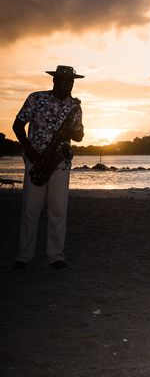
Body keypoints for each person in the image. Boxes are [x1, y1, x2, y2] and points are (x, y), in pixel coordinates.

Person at [12, 65, 84, 270]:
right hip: (36, 161)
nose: (67, 84)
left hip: (60, 164)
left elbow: (79, 136)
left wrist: (73, 131)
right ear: (54, 81)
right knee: (30, 210)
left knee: (58, 210)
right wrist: (30, 151)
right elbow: (17, 126)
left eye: (70, 81)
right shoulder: (35, 98)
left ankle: (55, 256)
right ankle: (24, 256)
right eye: (62, 80)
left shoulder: (75, 106)